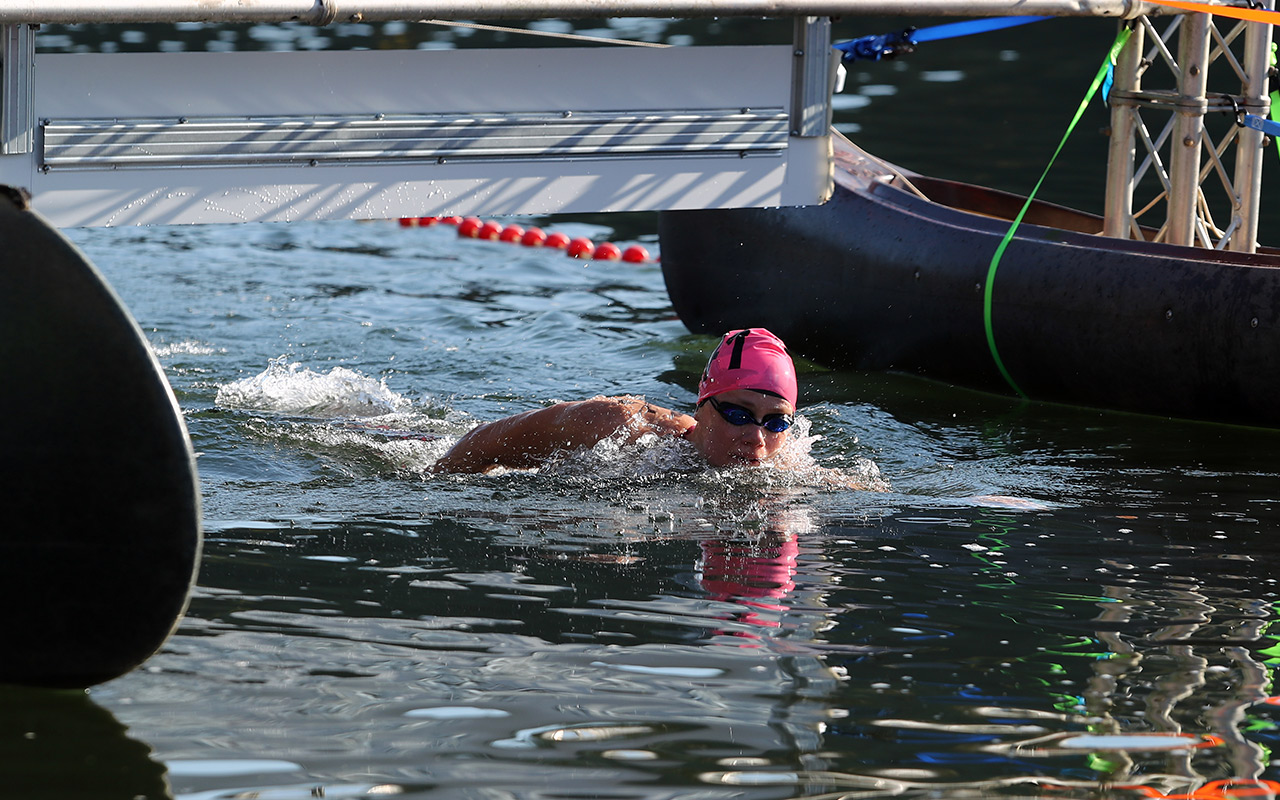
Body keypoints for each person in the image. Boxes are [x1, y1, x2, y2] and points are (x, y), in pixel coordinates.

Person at [432, 327, 799, 474]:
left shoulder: (781, 462)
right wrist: (434, 484)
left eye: (776, 422)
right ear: (702, 407)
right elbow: (483, 440)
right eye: (738, 414)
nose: (757, 438)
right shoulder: (617, 426)